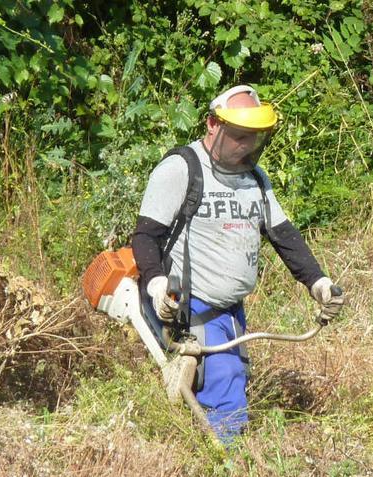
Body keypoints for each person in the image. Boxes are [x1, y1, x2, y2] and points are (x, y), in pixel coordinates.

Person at [130, 84, 344, 442]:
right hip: (191, 303)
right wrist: (156, 285)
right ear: (213, 124)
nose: (246, 146)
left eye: (254, 139)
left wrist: (317, 282)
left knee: (231, 375)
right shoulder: (181, 169)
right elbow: (145, 236)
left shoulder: (255, 179)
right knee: (226, 382)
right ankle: (228, 465)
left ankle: (192, 441)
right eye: (239, 137)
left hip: (232, 308)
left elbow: (283, 235)